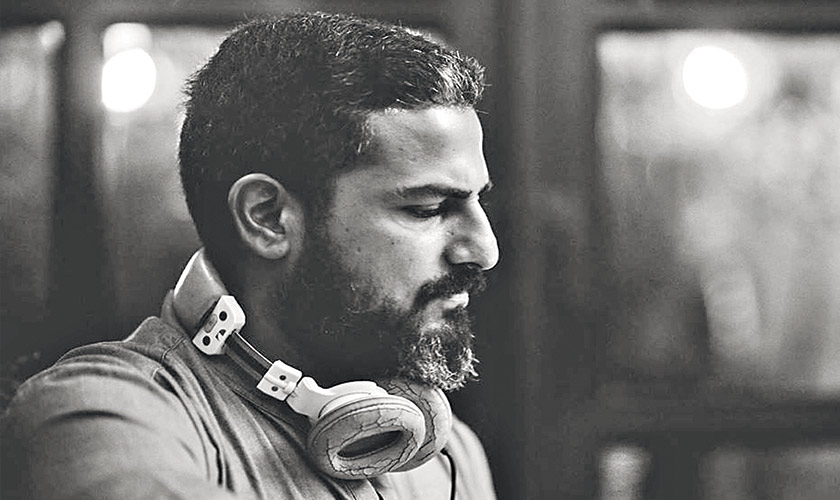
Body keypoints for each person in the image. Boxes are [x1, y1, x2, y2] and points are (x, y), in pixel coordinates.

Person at [1, 11, 499, 500]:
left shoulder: (449, 456)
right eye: (427, 208)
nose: (484, 250)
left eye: (478, 201)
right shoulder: (93, 418)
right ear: (267, 217)